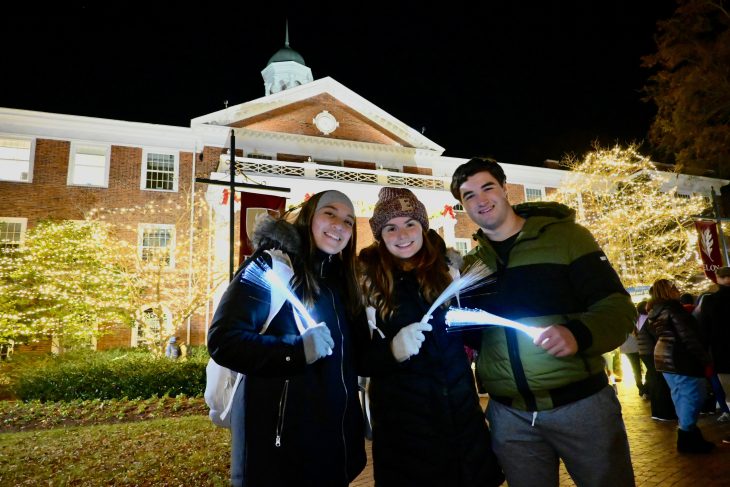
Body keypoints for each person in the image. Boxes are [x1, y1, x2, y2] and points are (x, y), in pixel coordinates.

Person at [451, 157, 635, 487]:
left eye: (487, 187)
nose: (480, 200)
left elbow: (618, 307)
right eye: (468, 196)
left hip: (582, 407)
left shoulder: (568, 238)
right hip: (511, 418)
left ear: (505, 189)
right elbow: (474, 335)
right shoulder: (473, 266)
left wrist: (579, 334)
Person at [207, 190, 366, 487]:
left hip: (334, 456)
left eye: (348, 220)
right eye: (329, 213)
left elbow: (357, 359)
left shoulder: (342, 284)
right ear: (308, 217)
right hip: (278, 456)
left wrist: (392, 350)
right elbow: (223, 339)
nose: (340, 225)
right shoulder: (272, 267)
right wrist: (295, 351)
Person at [358, 187, 503, 487]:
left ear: (423, 227)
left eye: (410, 223)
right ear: (380, 235)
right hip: (407, 437)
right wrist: (392, 351)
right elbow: (358, 358)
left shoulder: (449, 274)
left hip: (463, 426)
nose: (402, 234)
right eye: (391, 227)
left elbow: (472, 335)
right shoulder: (367, 282)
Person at [646, 279, 715, 453]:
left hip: (664, 357)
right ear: (667, 292)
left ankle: (688, 432)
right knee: (692, 395)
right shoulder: (673, 308)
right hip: (679, 357)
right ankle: (687, 435)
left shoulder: (654, 310)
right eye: (674, 288)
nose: (678, 290)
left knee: (680, 395)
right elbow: (688, 336)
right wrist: (704, 359)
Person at [637, 300, 678, 420]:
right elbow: (656, 336)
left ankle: (657, 411)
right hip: (651, 352)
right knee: (660, 381)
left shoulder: (640, 320)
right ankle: (664, 412)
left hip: (644, 353)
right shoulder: (648, 321)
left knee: (655, 380)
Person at [700, 266, 730, 429]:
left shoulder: (710, 301)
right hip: (721, 352)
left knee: (729, 392)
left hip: (722, 353)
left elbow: (704, 330)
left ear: (718, 279)